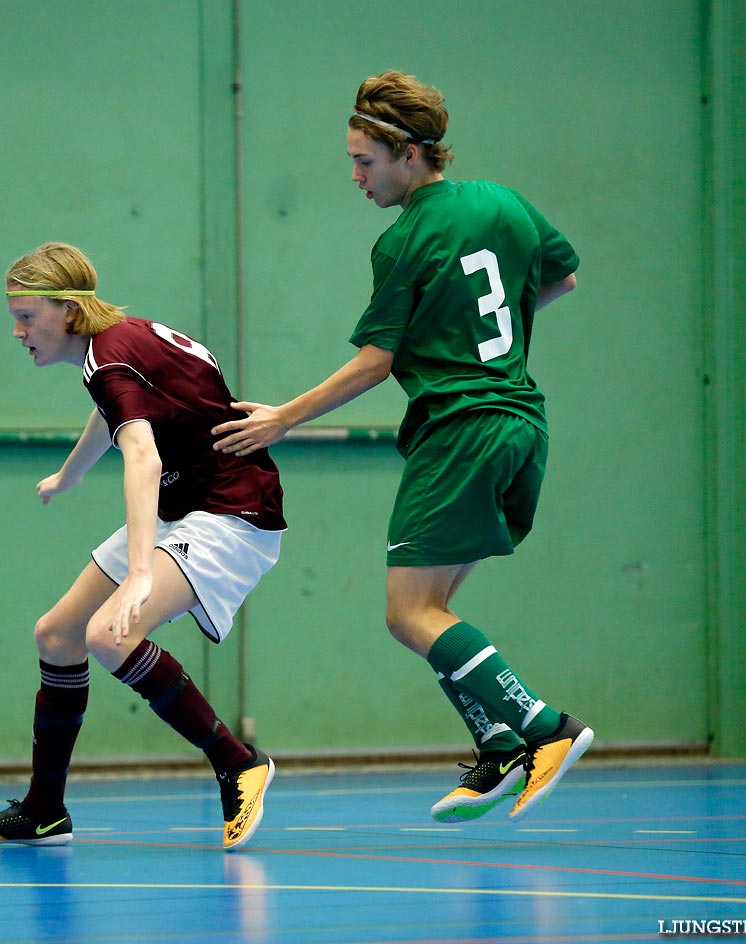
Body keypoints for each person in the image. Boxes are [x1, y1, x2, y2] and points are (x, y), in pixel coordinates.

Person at [213, 70, 590, 823]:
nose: (355, 177)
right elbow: (562, 278)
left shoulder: (406, 240)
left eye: (365, 162)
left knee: (406, 613)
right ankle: (498, 744)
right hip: (521, 424)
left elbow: (375, 361)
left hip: (460, 430)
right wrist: (485, 340)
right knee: (434, 607)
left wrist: (283, 417)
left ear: (411, 154)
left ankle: (548, 730)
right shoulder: (505, 204)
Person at [0, 241, 285, 851]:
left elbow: (142, 453)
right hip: (188, 507)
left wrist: (137, 574)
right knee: (58, 633)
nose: (18, 331)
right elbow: (114, 418)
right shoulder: (117, 343)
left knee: (110, 633)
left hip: (231, 514)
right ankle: (44, 810)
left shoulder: (107, 361)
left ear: (69, 311)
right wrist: (70, 475)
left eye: (27, 317)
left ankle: (238, 762)